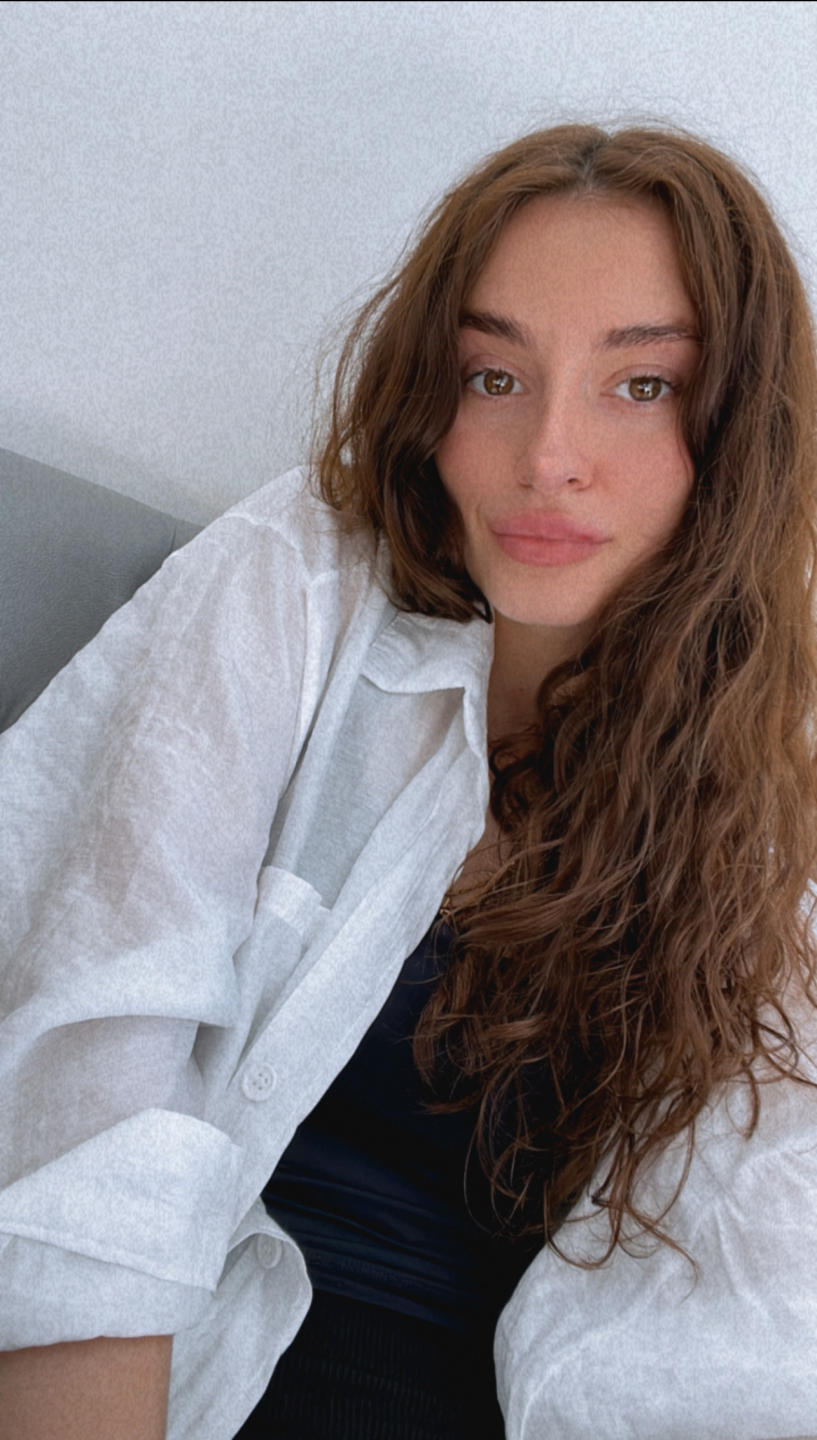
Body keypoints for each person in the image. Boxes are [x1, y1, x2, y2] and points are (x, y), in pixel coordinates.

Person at [2, 120, 817, 1440]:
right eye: (493, 376)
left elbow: (753, 1323)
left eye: (640, 385)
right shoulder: (298, 582)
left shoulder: (778, 793)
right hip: (179, 1354)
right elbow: (90, 1090)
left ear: (739, 428)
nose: (546, 454)